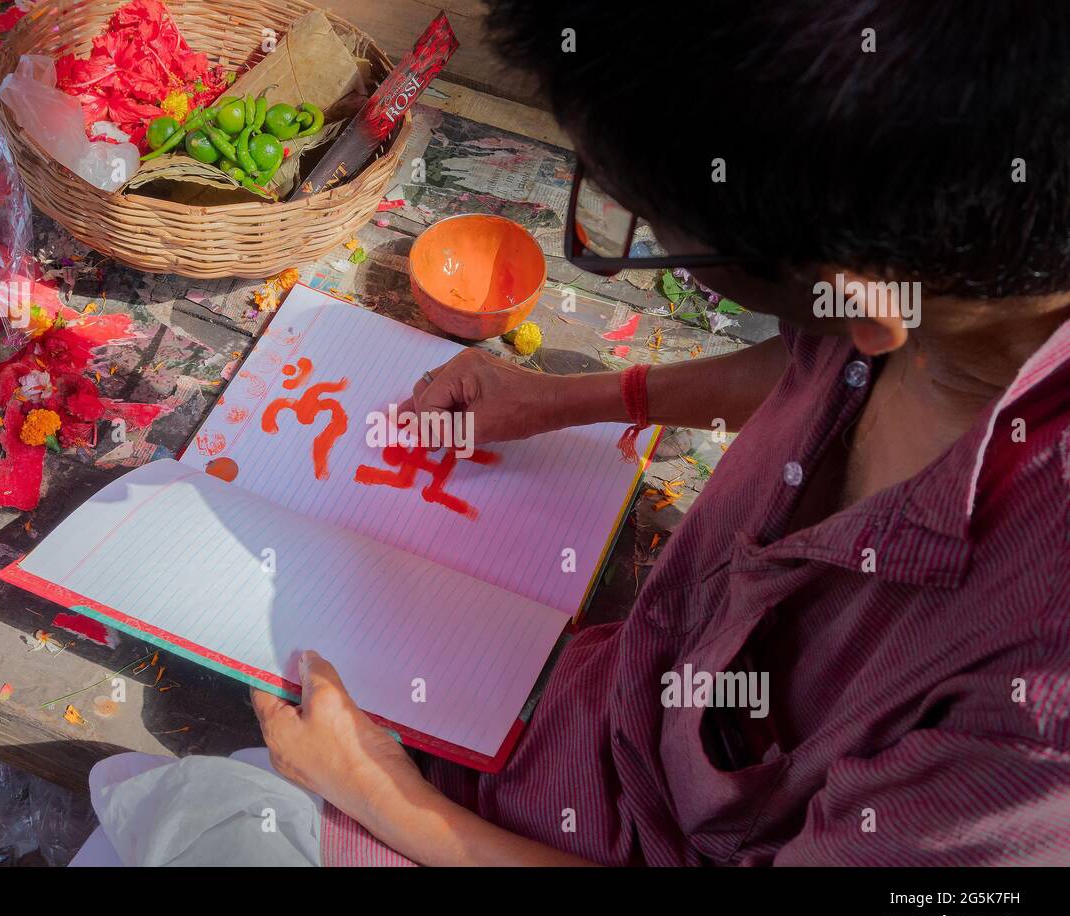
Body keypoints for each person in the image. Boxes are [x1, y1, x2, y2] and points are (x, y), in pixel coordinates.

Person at [79, 0, 1070, 866]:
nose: (616, 228)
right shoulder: (948, 299)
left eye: (644, 226)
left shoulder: (1032, 719)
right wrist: (571, 399)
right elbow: (822, 366)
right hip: (583, 717)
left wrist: (385, 797)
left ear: (859, 293)